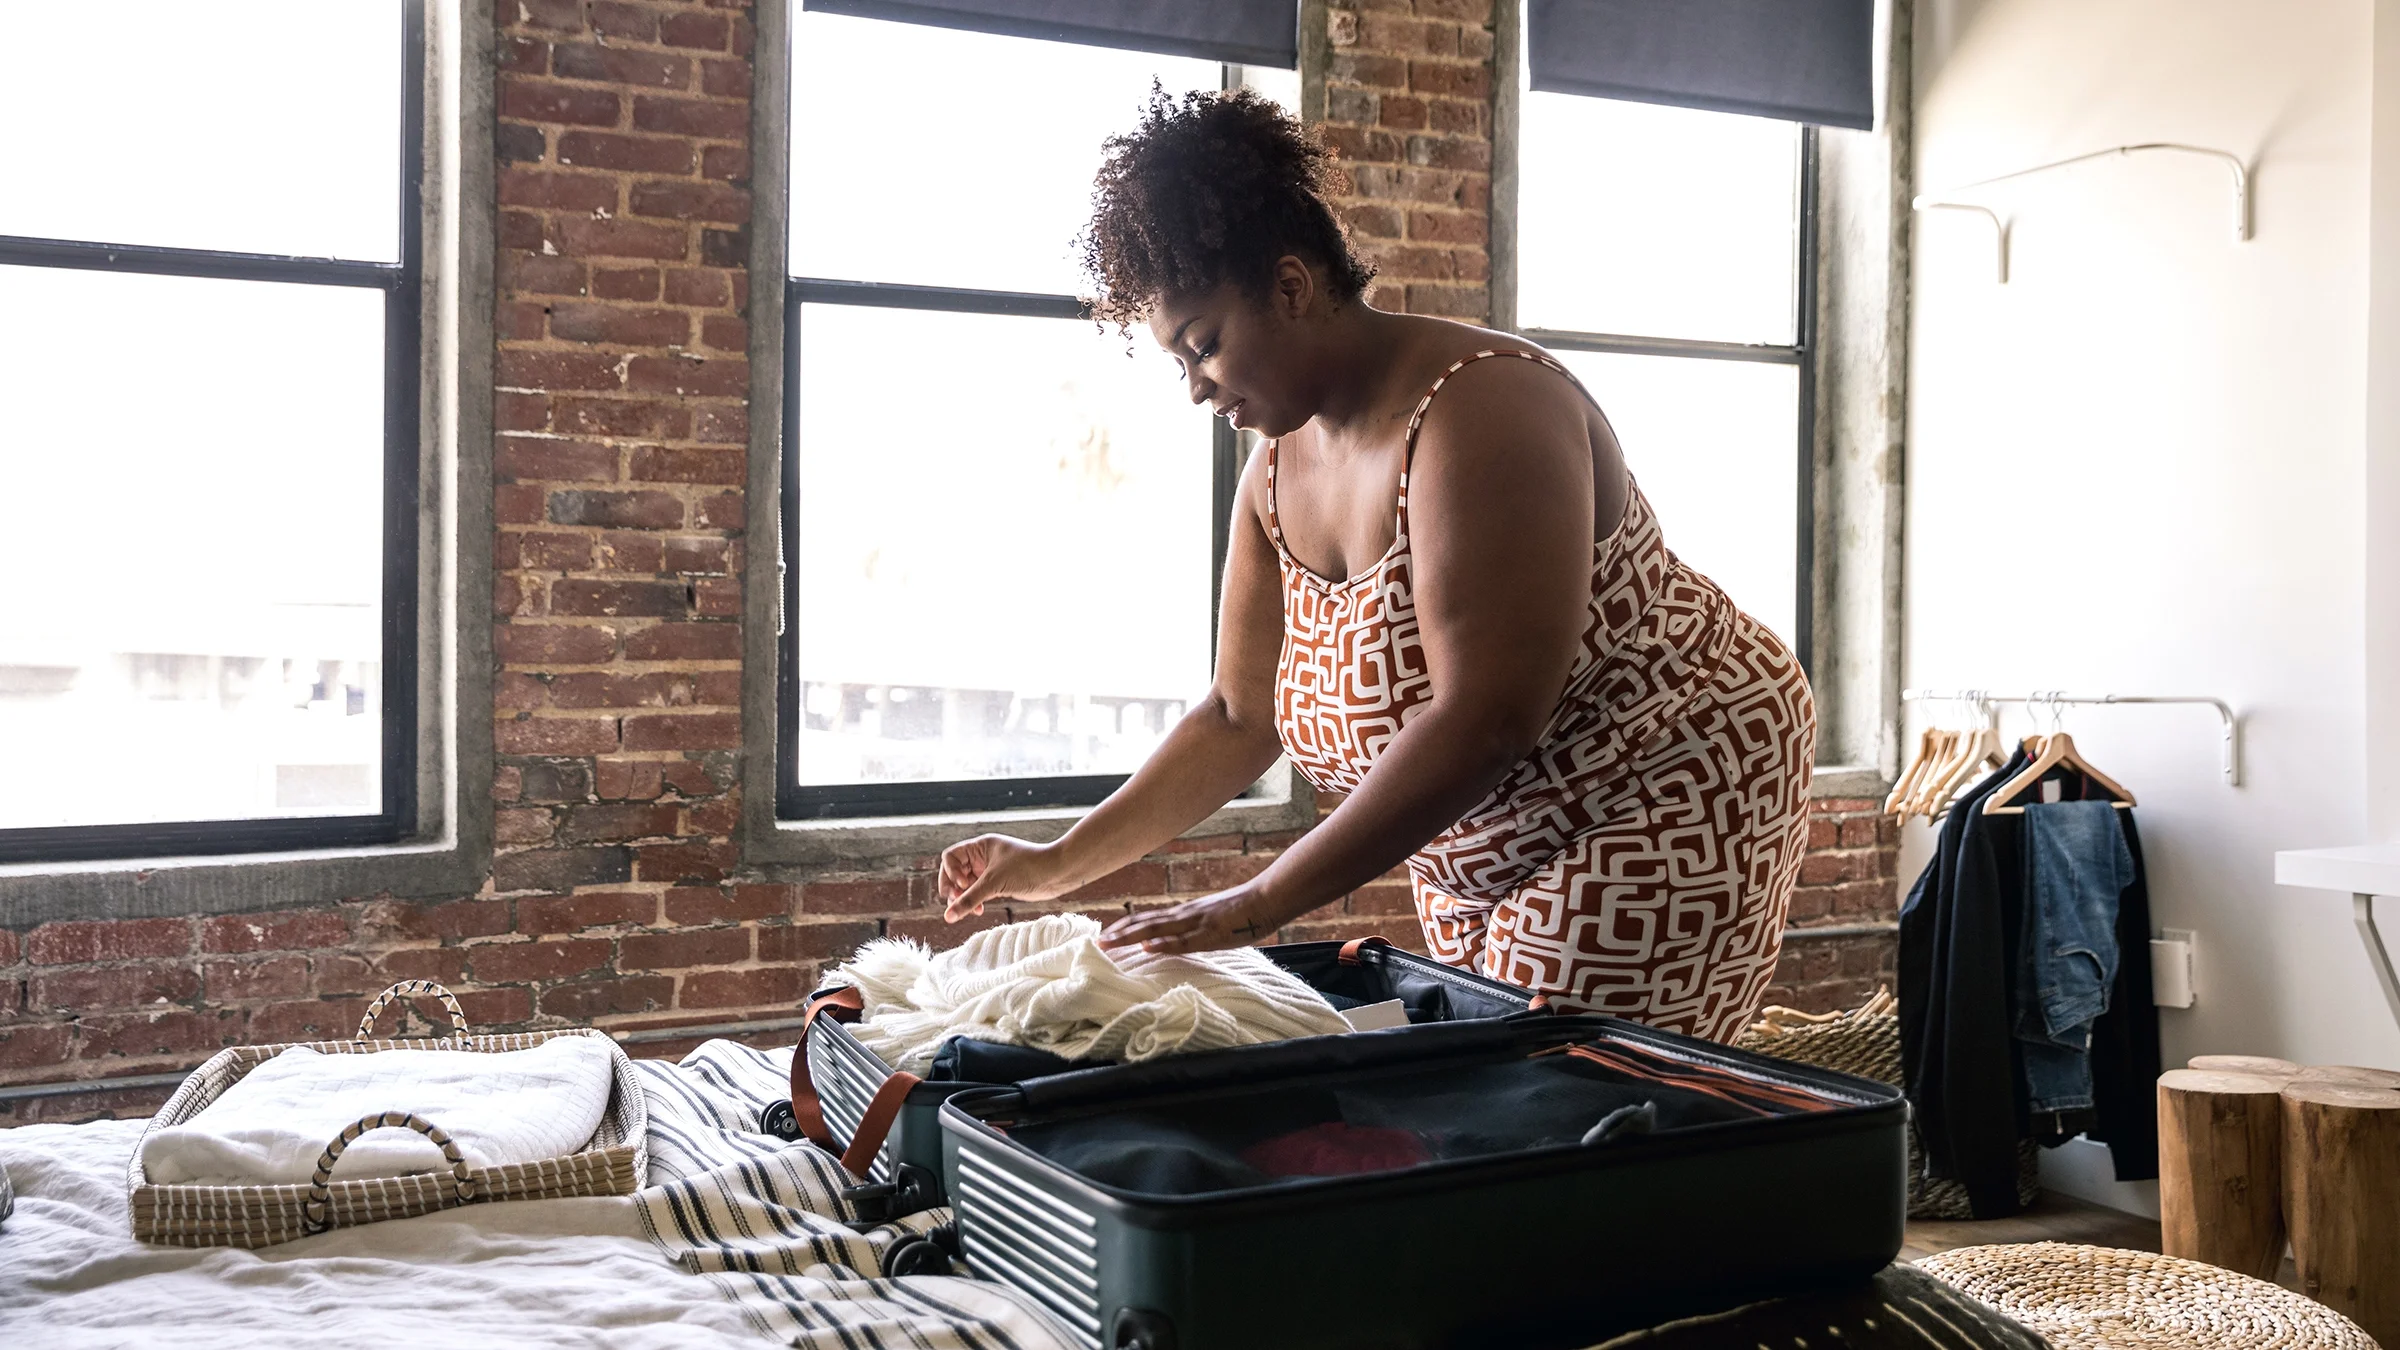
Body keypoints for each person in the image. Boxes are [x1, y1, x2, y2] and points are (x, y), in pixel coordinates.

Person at [935, 87, 1815, 1042]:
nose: (1194, 389)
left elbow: (1486, 718)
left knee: (1554, 1099)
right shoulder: (1273, 476)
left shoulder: (1485, 411)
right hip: (1479, 840)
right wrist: (1053, 863)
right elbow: (1238, 717)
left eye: (1205, 346)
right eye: (1178, 363)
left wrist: (1255, 906)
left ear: (1290, 287)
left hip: (1662, 780)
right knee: (1484, 1093)